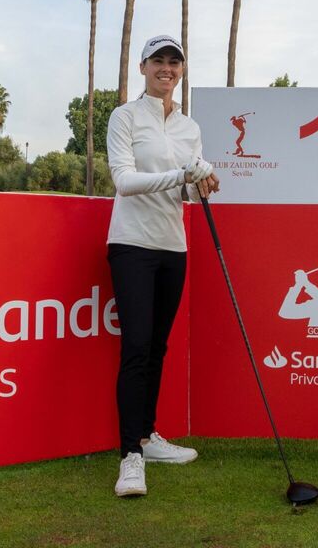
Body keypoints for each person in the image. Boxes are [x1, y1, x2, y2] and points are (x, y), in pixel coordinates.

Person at [107, 34, 220, 497]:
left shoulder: (190, 127)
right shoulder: (125, 116)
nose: (167, 68)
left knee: (157, 348)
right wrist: (184, 174)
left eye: (174, 62)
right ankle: (130, 457)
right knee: (135, 347)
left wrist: (202, 183)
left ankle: (148, 438)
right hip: (132, 244)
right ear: (143, 67)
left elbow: (186, 194)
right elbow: (124, 181)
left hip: (173, 247)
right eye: (159, 61)